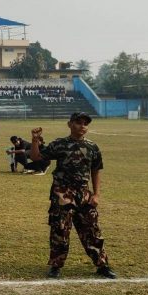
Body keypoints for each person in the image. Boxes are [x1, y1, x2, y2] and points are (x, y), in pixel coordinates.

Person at [30, 112, 116, 279]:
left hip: (84, 193)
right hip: (62, 192)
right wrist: (35, 140)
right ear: (69, 124)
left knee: (92, 230)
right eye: (78, 122)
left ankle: (102, 265)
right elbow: (36, 157)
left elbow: (96, 171)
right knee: (60, 229)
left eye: (85, 123)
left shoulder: (92, 147)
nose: (82, 126)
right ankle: (56, 266)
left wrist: (96, 195)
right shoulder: (60, 144)